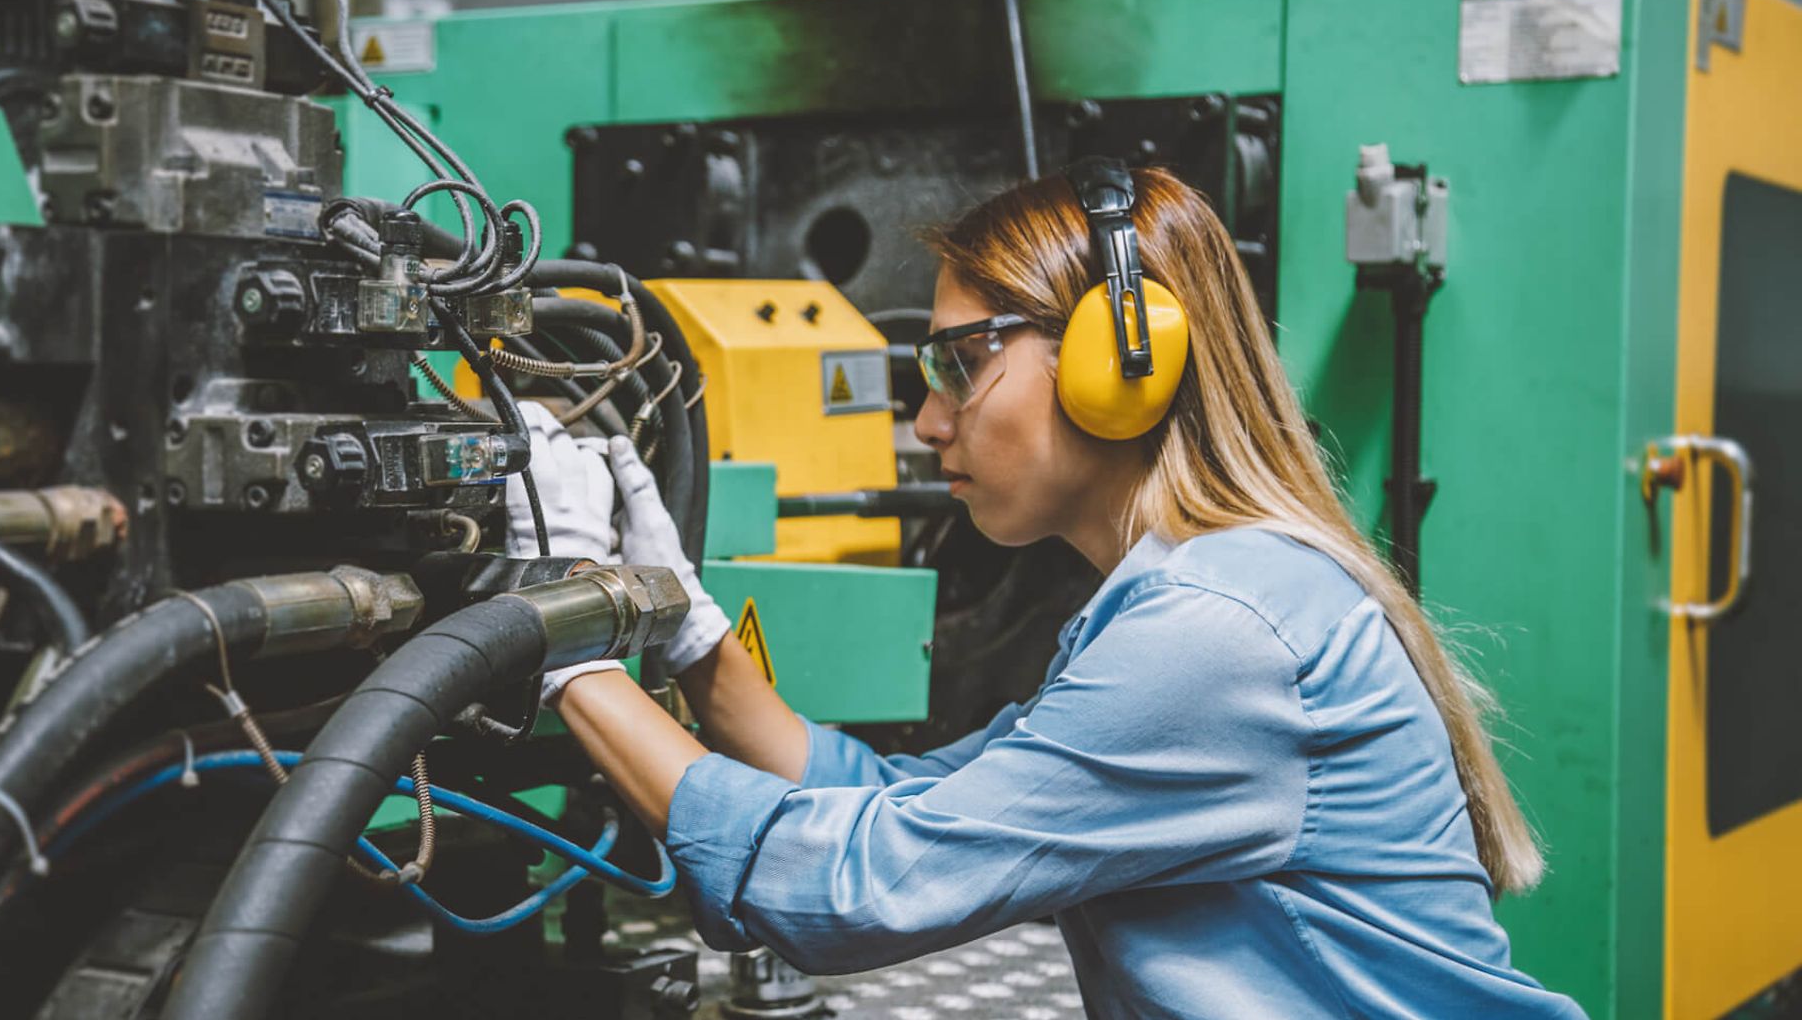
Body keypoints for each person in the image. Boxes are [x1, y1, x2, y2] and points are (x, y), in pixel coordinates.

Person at [505, 163, 1586, 1018]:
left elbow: (853, 886)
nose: (930, 425)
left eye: (959, 364)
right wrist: (688, 625)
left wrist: (567, 633)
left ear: (1122, 361)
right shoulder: (1197, 595)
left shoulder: (1214, 633)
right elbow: (892, 799)